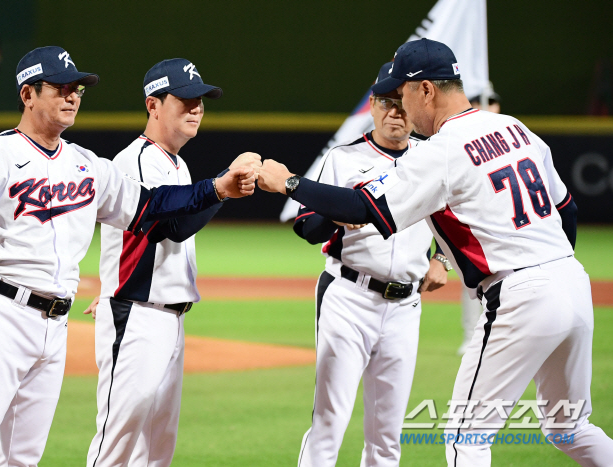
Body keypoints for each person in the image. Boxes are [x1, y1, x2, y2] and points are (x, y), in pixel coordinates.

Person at [258, 38, 613, 466]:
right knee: (570, 428)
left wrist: (289, 182)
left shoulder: (443, 148)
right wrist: (550, 272)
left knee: (466, 439)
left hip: (519, 292)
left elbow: (362, 208)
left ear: (425, 89)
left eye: (404, 94)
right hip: (572, 281)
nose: (401, 109)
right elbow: (566, 211)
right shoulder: (516, 128)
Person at [0, 46, 255, 467]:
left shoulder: (86, 165)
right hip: (0, 312)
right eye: (61, 87)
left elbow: (153, 205)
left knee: (23, 458)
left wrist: (216, 189)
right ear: (28, 94)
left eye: (78, 89)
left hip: (55, 322)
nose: (72, 96)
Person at [83, 58, 261, 467]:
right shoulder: (138, 159)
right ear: (153, 105)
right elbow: (173, 227)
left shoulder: (175, 162)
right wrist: (224, 186)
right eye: (184, 99)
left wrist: (222, 189)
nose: (196, 108)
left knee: (157, 449)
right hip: (139, 316)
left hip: (166, 317)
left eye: (200, 100)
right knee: (118, 443)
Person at [292, 62, 447, 467]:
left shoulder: (431, 159)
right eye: (386, 102)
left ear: (416, 106)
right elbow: (308, 227)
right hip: (348, 297)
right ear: (373, 107)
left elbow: (456, 218)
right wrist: (336, 213)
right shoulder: (344, 159)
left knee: (387, 435)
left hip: (405, 307)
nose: (395, 112)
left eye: (401, 103)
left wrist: (441, 259)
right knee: (330, 421)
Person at [456, 85, 502, 355]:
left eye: (491, 101)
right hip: (473, 226)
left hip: (504, 228)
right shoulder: (462, 138)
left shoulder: (508, 134)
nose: (487, 106)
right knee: (472, 283)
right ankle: (471, 336)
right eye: (478, 101)